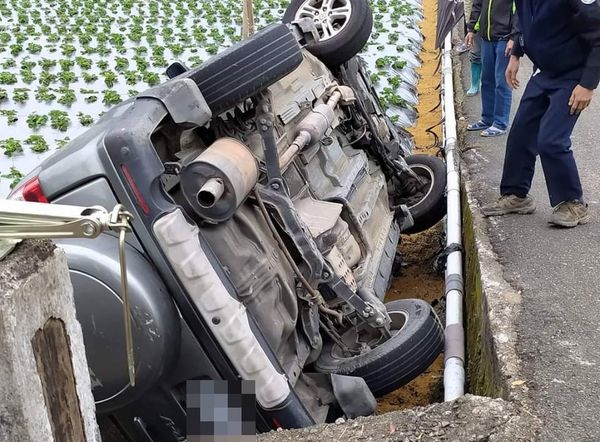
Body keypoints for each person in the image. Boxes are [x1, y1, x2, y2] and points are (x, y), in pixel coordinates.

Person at [482, 0, 600, 228]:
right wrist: (516, 54)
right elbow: (525, 22)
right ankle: (516, 196)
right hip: (544, 72)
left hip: (573, 75)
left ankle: (572, 203)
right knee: (520, 135)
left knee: (551, 140)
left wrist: (588, 84)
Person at [465, 0, 519, 137]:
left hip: (505, 38)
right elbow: (477, 4)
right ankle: (487, 118)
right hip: (486, 37)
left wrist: (514, 37)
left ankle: (500, 123)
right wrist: (471, 29)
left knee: (502, 81)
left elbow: (519, 10)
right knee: (487, 79)